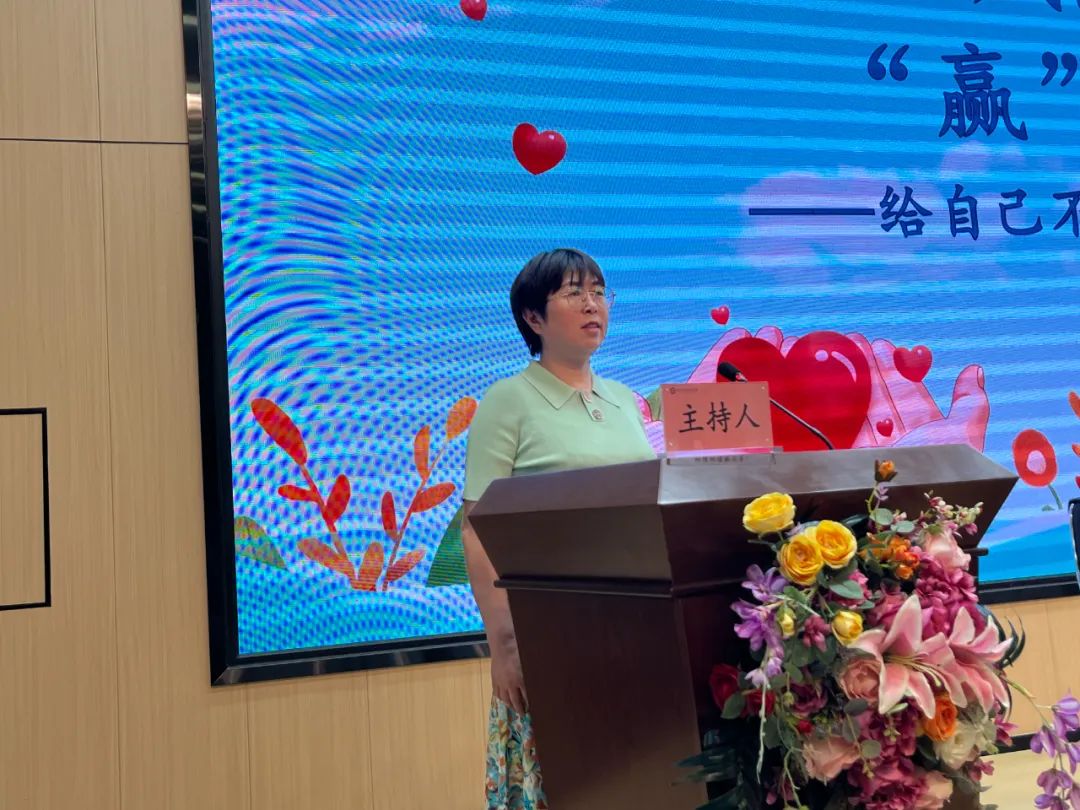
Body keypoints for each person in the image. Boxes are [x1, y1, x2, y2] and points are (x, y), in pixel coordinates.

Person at [460, 248, 656, 809]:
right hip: (550, 630)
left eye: (598, 291)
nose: (593, 304)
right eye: (573, 293)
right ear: (533, 318)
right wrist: (504, 645)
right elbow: (477, 529)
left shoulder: (624, 400)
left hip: (637, 628)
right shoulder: (508, 400)